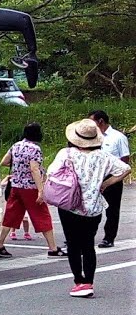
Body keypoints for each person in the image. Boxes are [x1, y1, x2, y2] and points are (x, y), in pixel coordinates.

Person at [47, 119, 130, 298]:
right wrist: (106, 183)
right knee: (88, 245)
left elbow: (51, 173)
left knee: (73, 244)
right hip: (93, 207)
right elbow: (126, 169)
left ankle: (79, 281)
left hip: (69, 205)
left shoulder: (66, 153)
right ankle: (89, 282)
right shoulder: (103, 156)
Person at [0, 123, 62, 258]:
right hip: (30, 187)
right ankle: (53, 248)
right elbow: (34, 169)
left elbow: (4, 162)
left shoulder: (16, 145)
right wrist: (40, 190)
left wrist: (18, 167)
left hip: (16, 185)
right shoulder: (35, 149)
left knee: (11, 215)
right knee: (42, 215)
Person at [90, 110, 130, 248]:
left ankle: (109, 237)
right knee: (90, 207)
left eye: (93, 121)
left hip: (112, 176)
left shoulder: (118, 137)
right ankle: (87, 235)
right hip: (95, 176)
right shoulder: (92, 137)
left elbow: (125, 159)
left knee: (112, 210)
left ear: (100, 121)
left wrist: (116, 177)